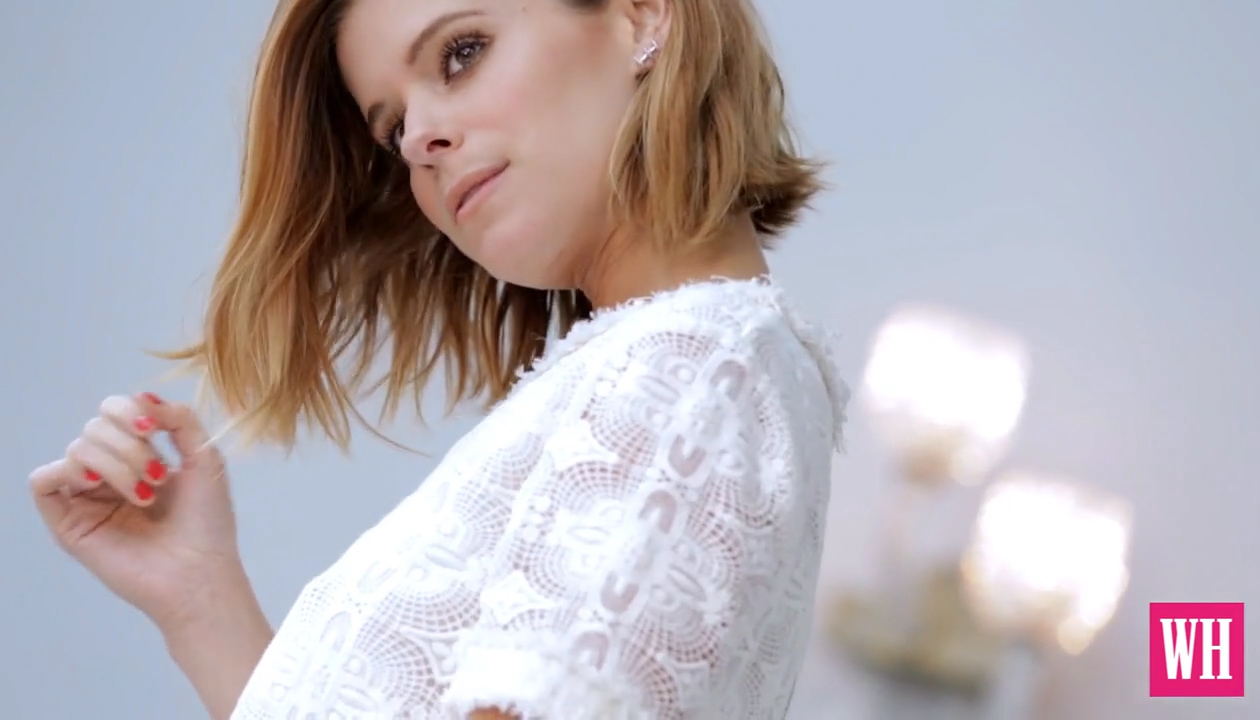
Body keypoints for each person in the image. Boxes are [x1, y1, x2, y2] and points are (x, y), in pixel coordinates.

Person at [28, 0, 850, 717]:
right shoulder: (681, 366)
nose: (420, 138)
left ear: (641, 14)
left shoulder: (691, 364)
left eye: (461, 53)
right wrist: (199, 595)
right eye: (392, 129)